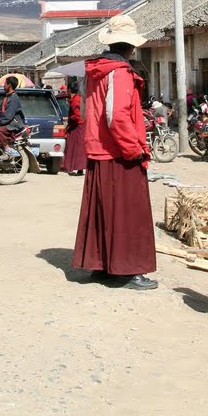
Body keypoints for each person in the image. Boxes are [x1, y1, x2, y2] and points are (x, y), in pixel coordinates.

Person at [73, 15, 157, 290]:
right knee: (129, 213)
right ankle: (129, 269)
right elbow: (117, 116)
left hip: (98, 150)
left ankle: (101, 264)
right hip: (118, 152)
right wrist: (133, 149)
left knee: (102, 210)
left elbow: (90, 111)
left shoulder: (95, 71)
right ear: (130, 47)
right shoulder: (119, 73)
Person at [0, 75, 26, 153]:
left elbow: (8, 115)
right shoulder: (7, 97)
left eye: (5, 84)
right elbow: (0, 111)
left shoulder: (14, 98)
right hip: (7, 123)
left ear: (9, 85)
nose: (4, 86)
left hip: (13, 124)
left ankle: (7, 151)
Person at [61, 77, 86, 176]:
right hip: (81, 126)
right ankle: (78, 168)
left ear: (70, 90)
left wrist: (69, 119)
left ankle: (72, 167)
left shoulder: (75, 100)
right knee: (79, 149)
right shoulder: (79, 98)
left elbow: (76, 116)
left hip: (77, 127)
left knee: (74, 148)